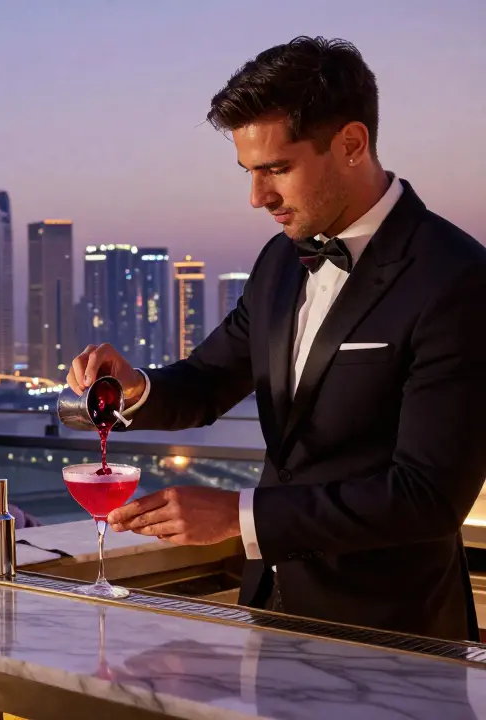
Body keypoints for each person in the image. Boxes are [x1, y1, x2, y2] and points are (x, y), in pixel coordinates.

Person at [68, 37, 486, 640]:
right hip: (268, 614)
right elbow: (209, 381)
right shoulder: (278, 262)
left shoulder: (455, 277)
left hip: (394, 633)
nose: (257, 197)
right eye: (249, 172)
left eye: (276, 169)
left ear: (350, 144)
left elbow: (426, 497)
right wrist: (134, 385)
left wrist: (238, 515)